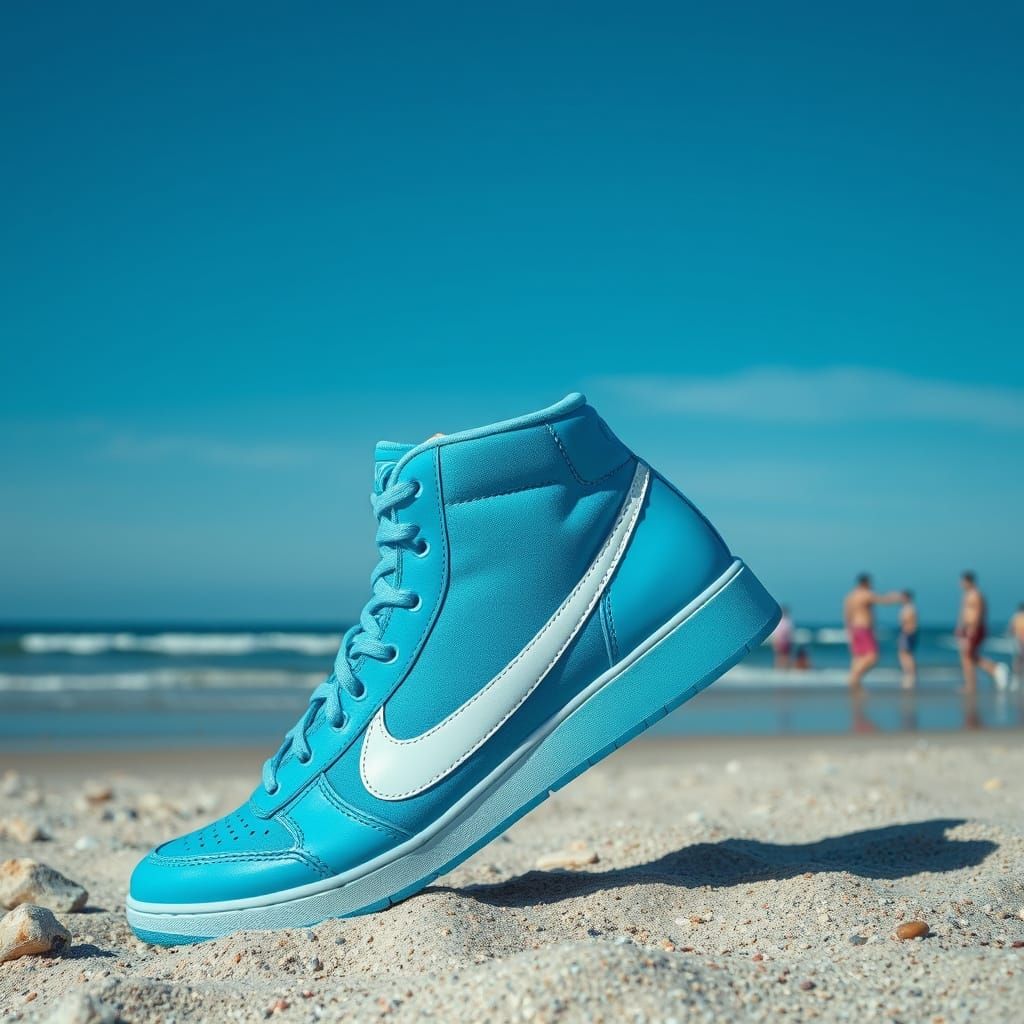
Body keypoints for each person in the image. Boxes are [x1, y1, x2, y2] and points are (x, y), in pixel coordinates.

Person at [843, 573, 901, 689]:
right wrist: (896, 597)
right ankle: (853, 678)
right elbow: (883, 600)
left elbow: (846, 615)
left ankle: (855, 682)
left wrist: (848, 631)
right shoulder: (865, 594)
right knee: (872, 657)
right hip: (864, 629)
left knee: (858, 657)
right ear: (866, 583)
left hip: (854, 629)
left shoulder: (850, 596)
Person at [956, 571, 1009, 692]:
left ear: (968, 581)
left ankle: (973, 683)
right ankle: (994, 670)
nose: (960, 584)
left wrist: (973, 628)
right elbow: (963, 613)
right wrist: (959, 627)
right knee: (969, 656)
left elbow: (979, 613)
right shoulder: (967, 595)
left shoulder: (976, 595)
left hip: (974, 628)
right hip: (967, 628)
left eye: (962, 581)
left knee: (967, 655)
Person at [897, 589, 919, 689]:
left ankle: (911, 676)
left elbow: (912, 623)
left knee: (907, 655)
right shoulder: (906, 608)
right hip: (905, 633)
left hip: (907, 633)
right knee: (904, 655)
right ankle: (908, 675)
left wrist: (908, 633)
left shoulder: (910, 608)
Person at [1010, 603, 1024, 684]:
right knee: (1020, 658)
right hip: (1020, 640)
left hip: (1018, 639)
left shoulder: (1016, 617)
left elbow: (1011, 628)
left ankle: (1016, 676)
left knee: (1017, 658)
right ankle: (1018, 675)